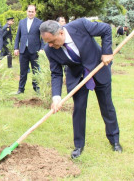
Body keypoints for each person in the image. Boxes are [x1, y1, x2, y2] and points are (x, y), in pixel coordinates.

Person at [40, 19, 122, 159]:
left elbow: (106, 29)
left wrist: (107, 52)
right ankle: (79, 146)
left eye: (52, 41)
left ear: (61, 32)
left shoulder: (81, 25)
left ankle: (114, 141)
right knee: (78, 109)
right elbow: (56, 73)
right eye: (47, 42)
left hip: (98, 68)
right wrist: (56, 97)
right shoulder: (50, 50)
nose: (50, 45)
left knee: (107, 106)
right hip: (77, 76)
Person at [14, 4, 44, 94]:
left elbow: (42, 37)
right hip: (23, 50)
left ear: (35, 12)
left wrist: (42, 48)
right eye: (29, 11)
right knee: (23, 71)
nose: (30, 13)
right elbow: (18, 36)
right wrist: (16, 48)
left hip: (35, 50)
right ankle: (21, 89)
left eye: (32, 11)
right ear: (26, 11)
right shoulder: (22, 22)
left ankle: (36, 88)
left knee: (35, 70)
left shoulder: (39, 22)